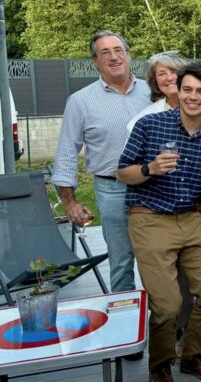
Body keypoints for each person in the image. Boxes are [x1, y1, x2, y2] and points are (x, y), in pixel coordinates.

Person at [118, 61, 201, 382]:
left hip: (193, 217)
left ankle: (193, 354)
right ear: (177, 90)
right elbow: (123, 172)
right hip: (149, 218)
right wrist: (150, 168)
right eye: (188, 89)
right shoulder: (150, 125)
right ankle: (160, 365)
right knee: (167, 305)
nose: (192, 97)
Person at [52, 31, 151, 304]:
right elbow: (66, 154)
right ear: (95, 61)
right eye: (105, 52)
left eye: (118, 49)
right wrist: (70, 203)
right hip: (112, 189)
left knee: (162, 257)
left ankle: (172, 327)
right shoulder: (80, 101)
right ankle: (126, 330)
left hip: (156, 185)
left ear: (129, 55)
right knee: (121, 263)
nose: (114, 56)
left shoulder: (152, 92)